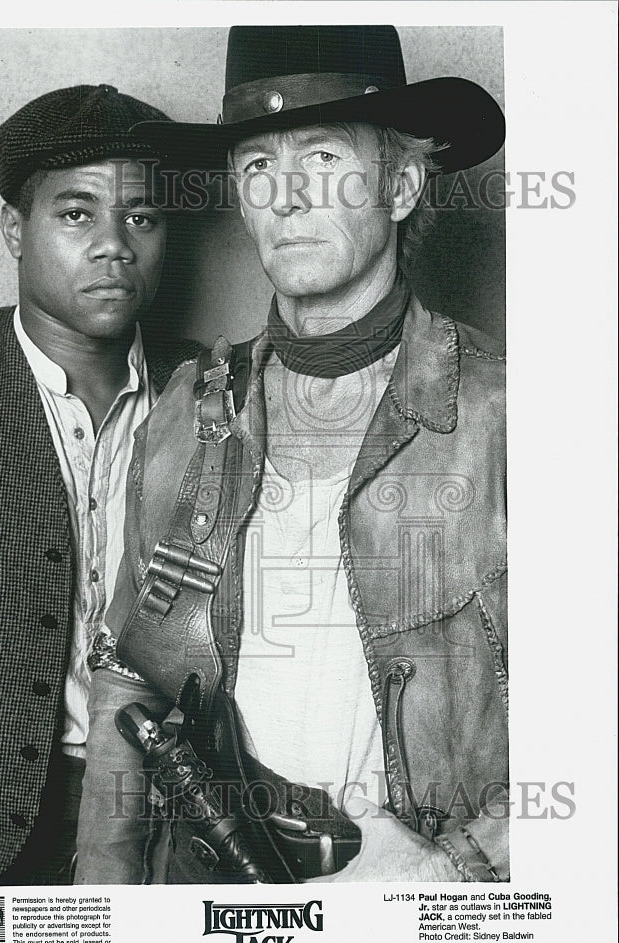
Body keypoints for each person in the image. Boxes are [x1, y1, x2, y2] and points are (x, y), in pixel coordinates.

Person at [75, 25, 508, 884]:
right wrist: (106, 911)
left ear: (402, 184)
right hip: (212, 888)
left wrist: (452, 869)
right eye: (258, 168)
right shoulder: (189, 408)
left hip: (411, 899)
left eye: (320, 158)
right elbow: (130, 679)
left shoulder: (509, 413)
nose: (286, 198)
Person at [0, 83, 199, 886]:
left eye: (142, 217)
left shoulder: (215, 393)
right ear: (15, 227)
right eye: (76, 214)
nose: (115, 245)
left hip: (169, 822)